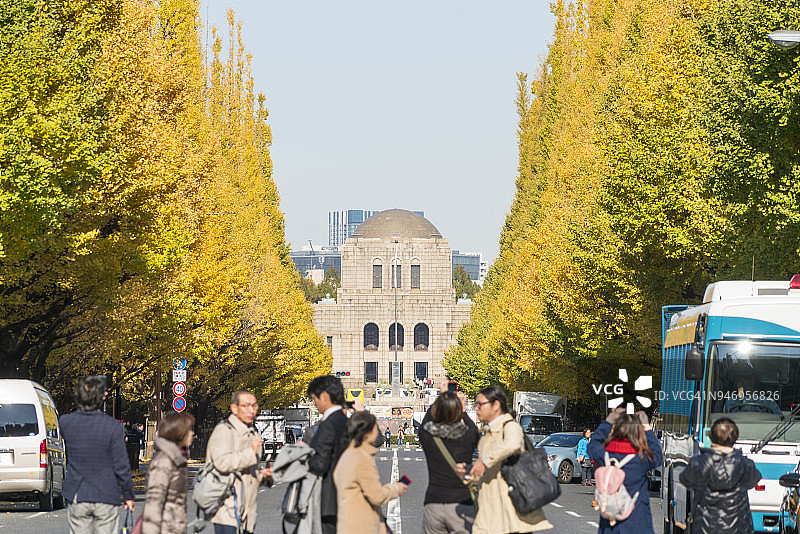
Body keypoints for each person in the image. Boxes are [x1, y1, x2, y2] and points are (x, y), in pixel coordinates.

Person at [467, 385, 552, 534]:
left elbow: (512, 444)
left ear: (496, 405)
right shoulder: (487, 432)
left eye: (480, 404)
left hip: (509, 507)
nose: (476, 408)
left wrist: (484, 461)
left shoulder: (510, 426)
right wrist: (469, 473)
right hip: (490, 506)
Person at [60, 376, 134, 534]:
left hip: (78, 492)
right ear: (101, 398)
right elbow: (121, 465)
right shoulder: (113, 427)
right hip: (106, 492)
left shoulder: (66, 423)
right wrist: (128, 494)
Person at [679, 418, 761, 534]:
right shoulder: (746, 465)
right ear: (735, 438)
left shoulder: (698, 463)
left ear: (711, 437)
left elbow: (685, 479)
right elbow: (753, 480)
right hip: (739, 528)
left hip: (704, 528)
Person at [587, 407, 663, 534]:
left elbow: (593, 444)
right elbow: (657, 455)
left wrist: (608, 421)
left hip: (609, 526)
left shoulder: (605, 456)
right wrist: (647, 429)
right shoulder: (640, 460)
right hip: (637, 524)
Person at [206, 390, 270, 534]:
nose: (251, 410)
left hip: (248, 512)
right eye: (246, 406)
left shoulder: (252, 432)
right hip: (227, 509)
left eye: (254, 406)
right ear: (234, 408)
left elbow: (249, 472)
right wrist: (250, 452)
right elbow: (221, 463)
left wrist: (264, 475)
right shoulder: (224, 431)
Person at [333, 412, 408, 534]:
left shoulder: (346, 455)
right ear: (366, 434)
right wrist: (395, 488)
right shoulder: (362, 458)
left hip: (347, 522)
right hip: (363, 525)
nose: (377, 432)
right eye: (375, 428)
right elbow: (376, 496)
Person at [419, 387, 480, 534]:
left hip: (434, 501)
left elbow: (424, 424)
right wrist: (462, 408)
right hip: (462, 503)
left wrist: (442, 396)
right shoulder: (468, 435)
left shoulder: (428, 436)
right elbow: (474, 430)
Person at [307, 375, 348, 534]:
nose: (315, 404)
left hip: (329, 498)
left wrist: (304, 456)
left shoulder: (328, 424)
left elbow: (321, 463)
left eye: (315, 399)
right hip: (345, 496)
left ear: (324, 396)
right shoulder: (344, 422)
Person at [142, 412, 195, 534]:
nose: (192, 433)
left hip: (172, 526)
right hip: (165, 528)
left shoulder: (176, 458)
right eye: (189, 430)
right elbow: (153, 505)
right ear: (178, 433)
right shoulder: (165, 461)